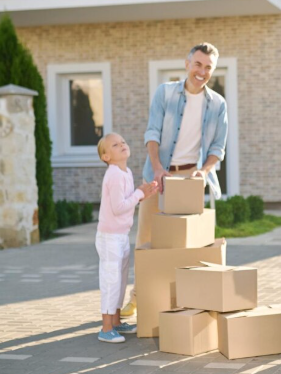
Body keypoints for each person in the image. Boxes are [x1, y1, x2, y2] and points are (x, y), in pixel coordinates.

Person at [121, 42, 229, 317]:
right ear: (187, 63)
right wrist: (157, 167)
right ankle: (138, 297)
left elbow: (218, 147)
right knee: (146, 238)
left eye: (208, 67)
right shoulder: (166, 93)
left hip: (190, 179)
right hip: (159, 175)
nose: (202, 72)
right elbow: (153, 132)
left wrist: (203, 172)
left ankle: (180, 301)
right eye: (198, 64)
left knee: (186, 243)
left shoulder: (217, 104)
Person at [96, 133, 157, 343]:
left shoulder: (126, 172)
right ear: (106, 156)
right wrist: (139, 194)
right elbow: (118, 207)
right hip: (110, 237)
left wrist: (145, 193)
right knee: (111, 280)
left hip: (121, 235)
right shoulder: (113, 175)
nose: (122, 144)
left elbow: (130, 199)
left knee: (120, 280)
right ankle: (105, 328)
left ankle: (115, 321)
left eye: (123, 141)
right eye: (115, 144)